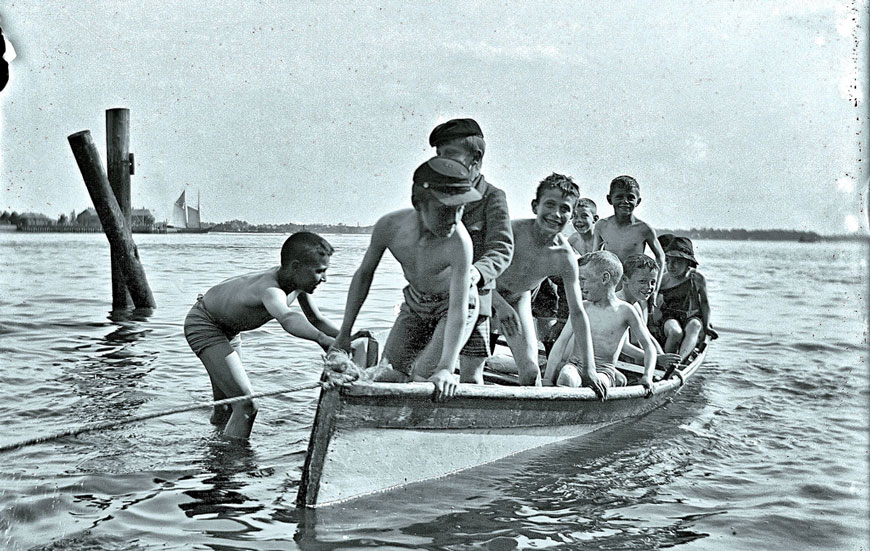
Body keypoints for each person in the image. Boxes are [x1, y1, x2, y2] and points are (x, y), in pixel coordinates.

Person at [184, 232, 367, 440]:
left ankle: (214, 445)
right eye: (319, 271)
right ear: (295, 267)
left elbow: (316, 320)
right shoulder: (270, 289)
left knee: (226, 407)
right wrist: (322, 339)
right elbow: (288, 318)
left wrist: (345, 335)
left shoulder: (297, 285)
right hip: (205, 324)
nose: (324, 278)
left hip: (228, 330)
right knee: (246, 405)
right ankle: (232, 463)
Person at [331, 156, 481, 400]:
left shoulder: (460, 243)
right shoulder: (389, 227)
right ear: (418, 203)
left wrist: (445, 367)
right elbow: (364, 276)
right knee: (387, 372)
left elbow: (458, 308)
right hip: (414, 303)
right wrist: (344, 332)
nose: (454, 219)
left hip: (452, 306)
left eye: (460, 208)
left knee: (424, 376)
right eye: (445, 210)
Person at [492, 173, 601, 395]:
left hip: (517, 298)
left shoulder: (564, 256)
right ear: (535, 206)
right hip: (483, 294)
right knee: (469, 367)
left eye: (565, 209)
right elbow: (471, 274)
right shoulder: (511, 232)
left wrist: (589, 370)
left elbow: (578, 313)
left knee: (531, 374)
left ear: (571, 216)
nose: (556, 214)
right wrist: (499, 306)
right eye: (550, 205)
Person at [429, 118, 514, 384]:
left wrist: (476, 273)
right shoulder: (433, 196)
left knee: (471, 374)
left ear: (476, 158)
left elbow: (501, 249)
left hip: (474, 302)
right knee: (419, 367)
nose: (444, 162)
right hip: (432, 300)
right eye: (440, 156)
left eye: (451, 155)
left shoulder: (492, 197)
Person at [543, 251, 657, 395]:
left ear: (605, 278)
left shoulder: (625, 310)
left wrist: (647, 376)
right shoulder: (582, 308)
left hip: (604, 369)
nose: (580, 285)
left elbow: (649, 347)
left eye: (583, 280)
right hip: (575, 365)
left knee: (599, 385)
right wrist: (547, 378)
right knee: (566, 377)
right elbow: (561, 342)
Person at [534, 197, 599, 354]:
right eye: (575, 216)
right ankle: (552, 343)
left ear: (595, 219)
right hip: (576, 282)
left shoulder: (600, 237)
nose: (578, 220)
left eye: (584, 216)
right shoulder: (573, 239)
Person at [592, 175, 666, 299]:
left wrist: (655, 289)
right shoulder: (602, 226)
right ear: (609, 199)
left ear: (638, 201)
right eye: (619, 196)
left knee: (635, 316)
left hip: (635, 287)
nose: (625, 201)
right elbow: (595, 257)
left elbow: (660, 256)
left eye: (630, 197)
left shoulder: (643, 229)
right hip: (611, 284)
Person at [658, 236, 718, 362]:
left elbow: (705, 303)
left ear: (688, 263)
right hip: (670, 317)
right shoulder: (664, 280)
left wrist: (706, 326)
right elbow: (654, 304)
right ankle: (666, 363)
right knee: (676, 332)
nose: (671, 266)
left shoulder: (697, 278)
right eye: (668, 261)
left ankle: (680, 360)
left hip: (691, 316)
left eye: (677, 262)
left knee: (695, 325)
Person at [616, 254, 680, 370]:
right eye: (642, 281)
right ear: (625, 279)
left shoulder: (635, 304)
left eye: (653, 282)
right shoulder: (619, 305)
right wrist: (657, 359)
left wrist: (663, 360)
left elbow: (647, 336)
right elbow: (623, 346)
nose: (649, 287)